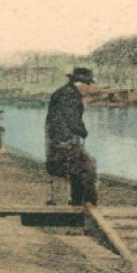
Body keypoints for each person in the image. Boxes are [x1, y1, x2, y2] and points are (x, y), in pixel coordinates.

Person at [46, 66, 99, 206]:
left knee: (67, 171)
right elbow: (72, 120)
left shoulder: (62, 92)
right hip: (65, 141)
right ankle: (85, 204)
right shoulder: (70, 96)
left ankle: (72, 202)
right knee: (87, 169)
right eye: (90, 84)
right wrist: (83, 131)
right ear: (82, 84)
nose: (91, 88)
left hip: (56, 140)